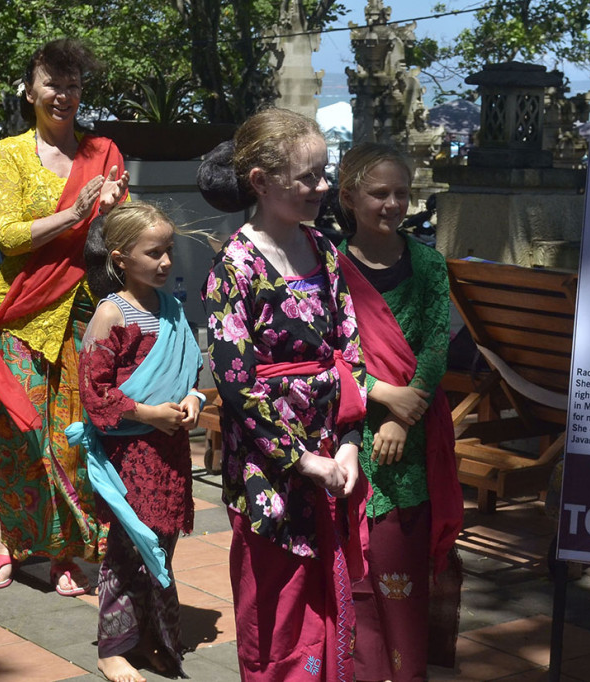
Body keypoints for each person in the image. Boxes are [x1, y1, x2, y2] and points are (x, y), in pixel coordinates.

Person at [200, 108, 367, 681]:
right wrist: (302, 461)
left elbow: (352, 348)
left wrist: (347, 443)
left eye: (325, 172)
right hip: (268, 466)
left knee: (329, 593)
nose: (323, 187)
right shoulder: (233, 268)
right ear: (262, 182)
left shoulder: (324, 247)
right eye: (308, 177)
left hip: (330, 450)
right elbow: (238, 386)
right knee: (276, 605)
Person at [0, 38, 130, 594]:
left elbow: (121, 237)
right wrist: (76, 211)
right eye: (52, 83)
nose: (63, 95)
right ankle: (12, 544)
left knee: (72, 439)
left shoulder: (103, 151)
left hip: (85, 315)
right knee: (21, 437)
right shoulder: (10, 153)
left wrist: (112, 213)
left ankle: (69, 551)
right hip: (20, 314)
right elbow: (10, 237)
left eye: (73, 84)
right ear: (30, 89)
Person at [335, 143, 462, 682]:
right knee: (357, 572)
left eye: (402, 194)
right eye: (378, 193)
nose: (392, 204)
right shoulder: (327, 267)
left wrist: (403, 415)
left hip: (415, 433)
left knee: (403, 570)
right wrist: (384, 398)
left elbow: (436, 346)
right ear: (349, 197)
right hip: (347, 432)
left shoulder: (429, 263)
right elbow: (327, 353)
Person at [70, 202, 202, 682]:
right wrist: (146, 413)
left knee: (161, 543)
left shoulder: (172, 309)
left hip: (169, 449)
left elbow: (191, 368)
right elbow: (94, 393)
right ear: (121, 258)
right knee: (130, 544)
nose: (166, 262)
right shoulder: (112, 313)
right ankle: (113, 647)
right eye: (154, 253)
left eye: (169, 251)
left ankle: (149, 638)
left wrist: (192, 400)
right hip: (131, 454)